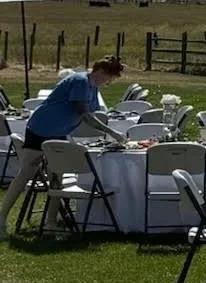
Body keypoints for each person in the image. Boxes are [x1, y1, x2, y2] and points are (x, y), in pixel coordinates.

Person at [0, 56, 126, 239]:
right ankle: (2, 217)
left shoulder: (92, 86)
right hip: (41, 128)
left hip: (59, 131)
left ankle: (50, 222)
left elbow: (95, 112)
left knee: (56, 176)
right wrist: (112, 132)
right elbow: (84, 114)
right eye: (109, 78)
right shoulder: (81, 81)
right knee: (26, 172)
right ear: (101, 72)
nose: (109, 82)